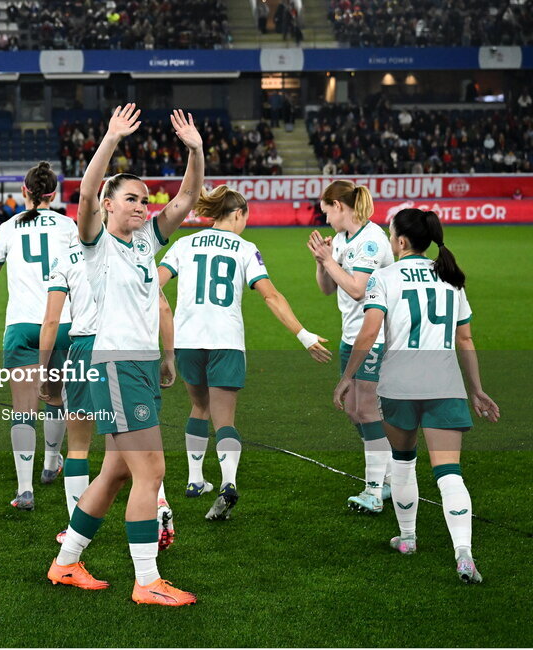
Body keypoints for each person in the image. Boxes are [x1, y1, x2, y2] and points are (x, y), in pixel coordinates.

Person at [47, 105, 203, 606]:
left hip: (133, 361)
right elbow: (88, 192)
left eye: (143, 199)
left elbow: (186, 198)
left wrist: (195, 150)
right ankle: (146, 581)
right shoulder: (95, 243)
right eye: (131, 199)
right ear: (110, 206)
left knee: (116, 469)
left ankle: (66, 562)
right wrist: (110, 138)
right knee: (151, 470)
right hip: (114, 362)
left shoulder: (144, 243)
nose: (142, 205)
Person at [335, 208, 499, 584]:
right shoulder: (451, 278)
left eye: (393, 234)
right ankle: (464, 554)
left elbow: (368, 332)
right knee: (449, 474)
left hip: (399, 386)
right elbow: (466, 339)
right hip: (445, 384)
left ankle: (408, 538)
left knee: (404, 461)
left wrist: (347, 377)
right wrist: (476, 389)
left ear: (402, 241)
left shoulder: (385, 277)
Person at [158, 186, 331, 520]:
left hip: (187, 339)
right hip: (227, 340)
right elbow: (271, 296)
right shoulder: (245, 248)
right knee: (225, 420)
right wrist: (304, 334)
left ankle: (195, 481)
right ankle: (228, 482)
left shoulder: (183, 243)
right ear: (238, 214)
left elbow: (153, 285)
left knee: (198, 406)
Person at [0, 162, 75, 511]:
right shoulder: (69, 226)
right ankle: (50, 464)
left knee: (22, 409)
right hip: (61, 323)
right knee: (55, 396)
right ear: (54, 193)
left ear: (24, 192)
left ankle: (25, 489)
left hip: (21, 326)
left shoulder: (8, 227)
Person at [307, 181, 395, 513]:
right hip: (351, 336)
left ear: (339, 206)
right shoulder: (343, 240)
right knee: (358, 413)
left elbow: (358, 290)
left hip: (374, 336)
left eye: (326, 208)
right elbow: (329, 289)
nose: (324, 215)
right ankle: (388, 476)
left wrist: (330, 260)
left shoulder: (371, 241)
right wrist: (321, 261)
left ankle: (375, 491)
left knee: (365, 410)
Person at [38, 233, 97, 543]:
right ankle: (157, 510)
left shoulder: (66, 256)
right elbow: (160, 306)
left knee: (78, 446)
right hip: (129, 350)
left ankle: (76, 528)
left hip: (85, 346)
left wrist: (43, 370)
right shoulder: (131, 249)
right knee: (135, 446)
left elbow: (51, 321)